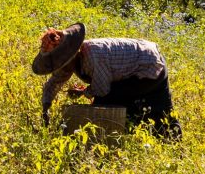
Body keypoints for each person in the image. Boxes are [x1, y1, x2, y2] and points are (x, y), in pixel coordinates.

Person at [32, 22, 181, 140]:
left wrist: (85, 92)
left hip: (148, 65)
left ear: (72, 54)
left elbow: (102, 89)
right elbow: (54, 82)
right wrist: (46, 107)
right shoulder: (69, 62)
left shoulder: (92, 57)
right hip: (138, 63)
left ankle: (112, 138)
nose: (61, 66)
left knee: (114, 100)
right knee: (122, 102)